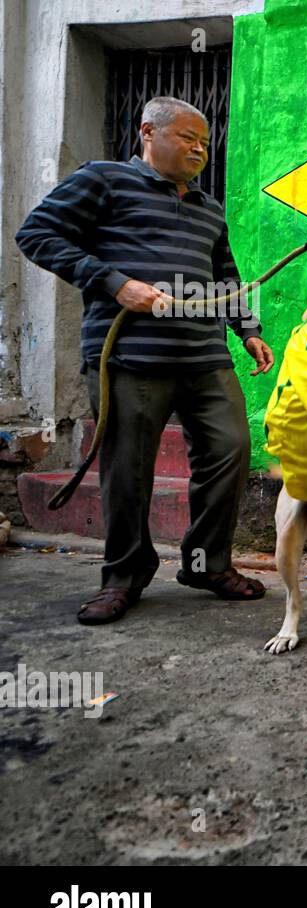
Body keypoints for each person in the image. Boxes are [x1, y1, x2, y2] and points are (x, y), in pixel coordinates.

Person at [15, 95, 273, 624]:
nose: (200, 148)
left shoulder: (208, 207)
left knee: (230, 450)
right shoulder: (103, 180)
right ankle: (125, 576)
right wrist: (113, 282)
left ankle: (205, 563)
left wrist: (246, 329)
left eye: (205, 141)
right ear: (148, 132)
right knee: (129, 470)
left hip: (204, 354)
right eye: (187, 137)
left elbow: (225, 272)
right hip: (129, 356)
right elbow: (36, 235)